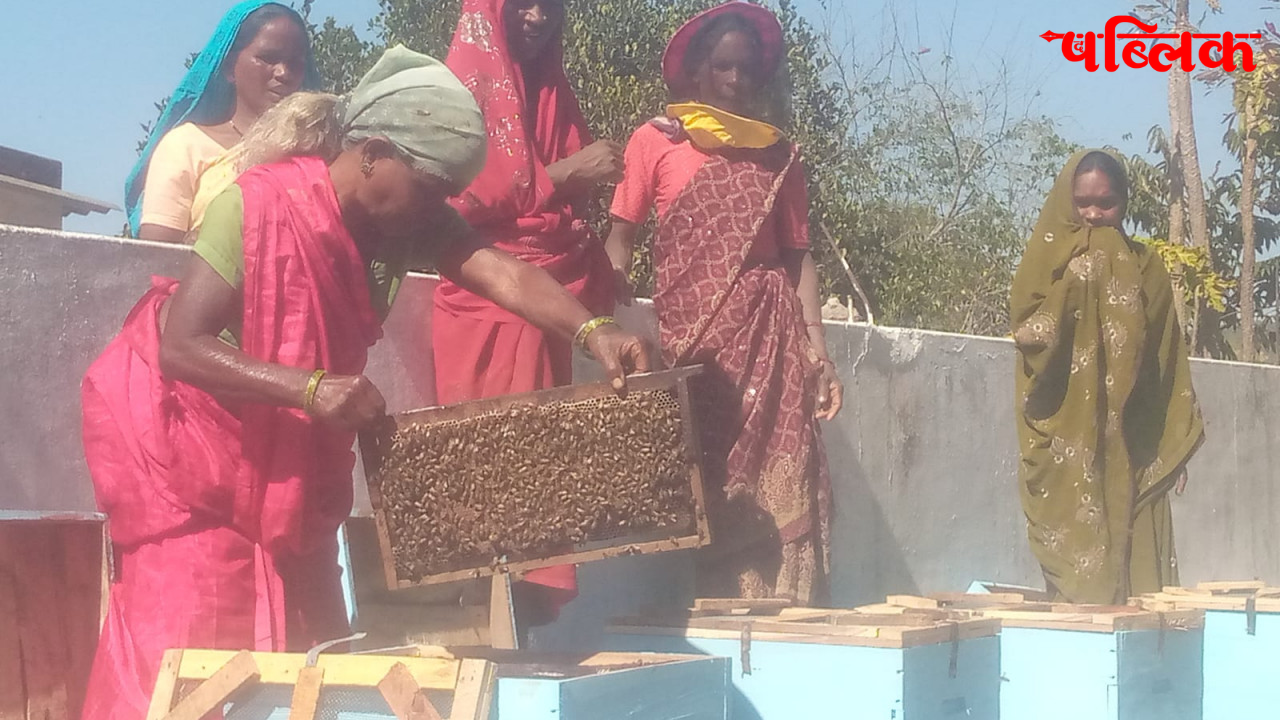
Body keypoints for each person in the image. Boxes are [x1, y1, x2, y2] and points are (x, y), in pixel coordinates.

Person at [80, 46, 649, 720]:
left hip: (290, 475)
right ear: (375, 152)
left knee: (306, 663)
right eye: (431, 185)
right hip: (190, 464)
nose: (440, 207)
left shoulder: (410, 216)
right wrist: (311, 390)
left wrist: (594, 332)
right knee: (193, 662)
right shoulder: (259, 205)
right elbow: (181, 346)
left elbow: (503, 273)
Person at [604, 1, 842, 603]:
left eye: (747, 70)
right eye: (723, 67)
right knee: (708, 483)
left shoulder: (779, 156)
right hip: (697, 350)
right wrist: (605, 330)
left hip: (773, 341)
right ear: (696, 72)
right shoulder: (655, 144)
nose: (736, 81)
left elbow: (796, 256)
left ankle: (788, 614)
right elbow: (620, 241)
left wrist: (820, 352)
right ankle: (718, 619)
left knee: (782, 480)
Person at [432, 0, 624, 625]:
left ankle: (526, 623)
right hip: (486, 298)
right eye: (523, 4)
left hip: (549, 299)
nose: (538, 17)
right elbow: (459, 202)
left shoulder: (552, 89)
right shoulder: (457, 93)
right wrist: (569, 172)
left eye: (550, 6)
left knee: (542, 495)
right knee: (495, 496)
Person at [1011, 149, 1205, 604]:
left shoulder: (1148, 267)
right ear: (1065, 201)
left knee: (1139, 581)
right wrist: (1083, 276)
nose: (1094, 215)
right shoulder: (1045, 267)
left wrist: (1170, 442)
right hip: (1066, 446)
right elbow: (1029, 336)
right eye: (1083, 203)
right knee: (1077, 583)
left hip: (1134, 447)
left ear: (1124, 204)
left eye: (1107, 203)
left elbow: (1165, 359)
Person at [125, 0, 318, 243]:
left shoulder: (313, 155)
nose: (283, 73)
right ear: (229, 67)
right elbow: (156, 258)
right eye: (268, 58)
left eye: (295, 63)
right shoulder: (187, 146)